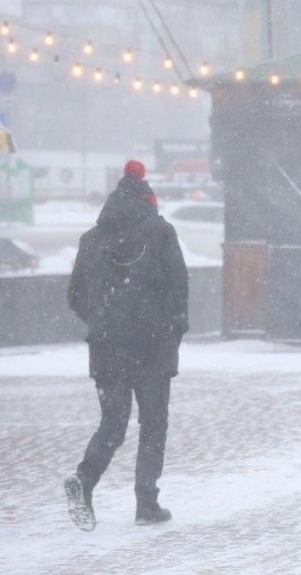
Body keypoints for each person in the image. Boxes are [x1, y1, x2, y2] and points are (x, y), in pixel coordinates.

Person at [64, 160, 189, 531]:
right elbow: (179, 288)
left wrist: (102, 321)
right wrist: (172, 328)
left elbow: (75, 295)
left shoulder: (91, 239)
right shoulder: (161, 233)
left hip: (107, 347)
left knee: (113, 424)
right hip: (153, 346)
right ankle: (146, 502)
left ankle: (84, 480)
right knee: (153, 424)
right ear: (148, 200)